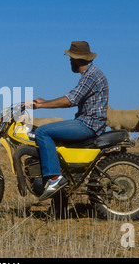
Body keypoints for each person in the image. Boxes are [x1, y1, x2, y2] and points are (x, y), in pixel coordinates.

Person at [24, 41, 109, 201]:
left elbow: (70, 100)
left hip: (87, 125)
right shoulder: (92, 73)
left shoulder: (91, 76)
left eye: (70, 58)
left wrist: (41, 106)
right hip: (87, 123)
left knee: (42, 132)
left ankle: (55, 179)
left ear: (76, 59)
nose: (69, 61)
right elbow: (71, 98)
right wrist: (41, 102)